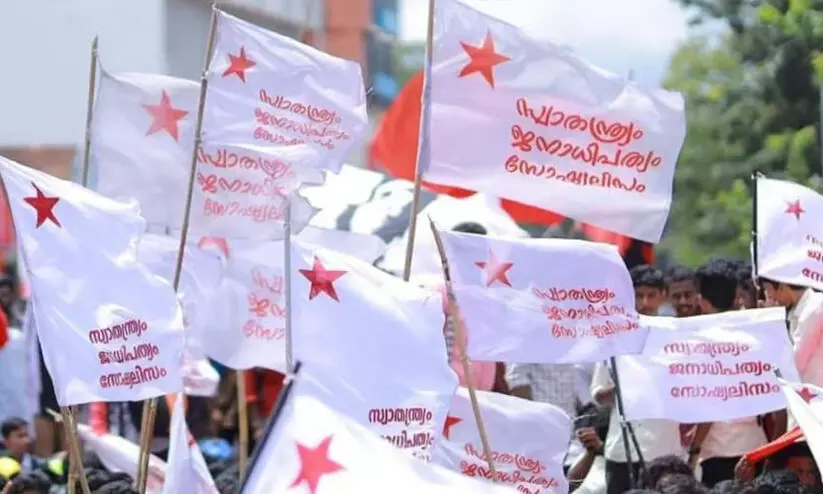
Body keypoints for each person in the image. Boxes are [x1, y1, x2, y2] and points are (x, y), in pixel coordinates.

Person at [591, 264, 684, 494]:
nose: (645, 303)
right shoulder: (613, 338)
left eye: (651, 295)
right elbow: (598, 395)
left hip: (665, 452)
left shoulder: (677, 337)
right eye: (639, 296)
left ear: (664, 295)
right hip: (622, 451)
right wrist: (625, 385)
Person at [689, 259, 768, 488]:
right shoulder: (758, 336)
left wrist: (694, 449)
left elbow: (710, 406)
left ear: (701, 301)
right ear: (737, 298)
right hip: (757, 445)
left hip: (718, 450)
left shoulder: (701, 344)